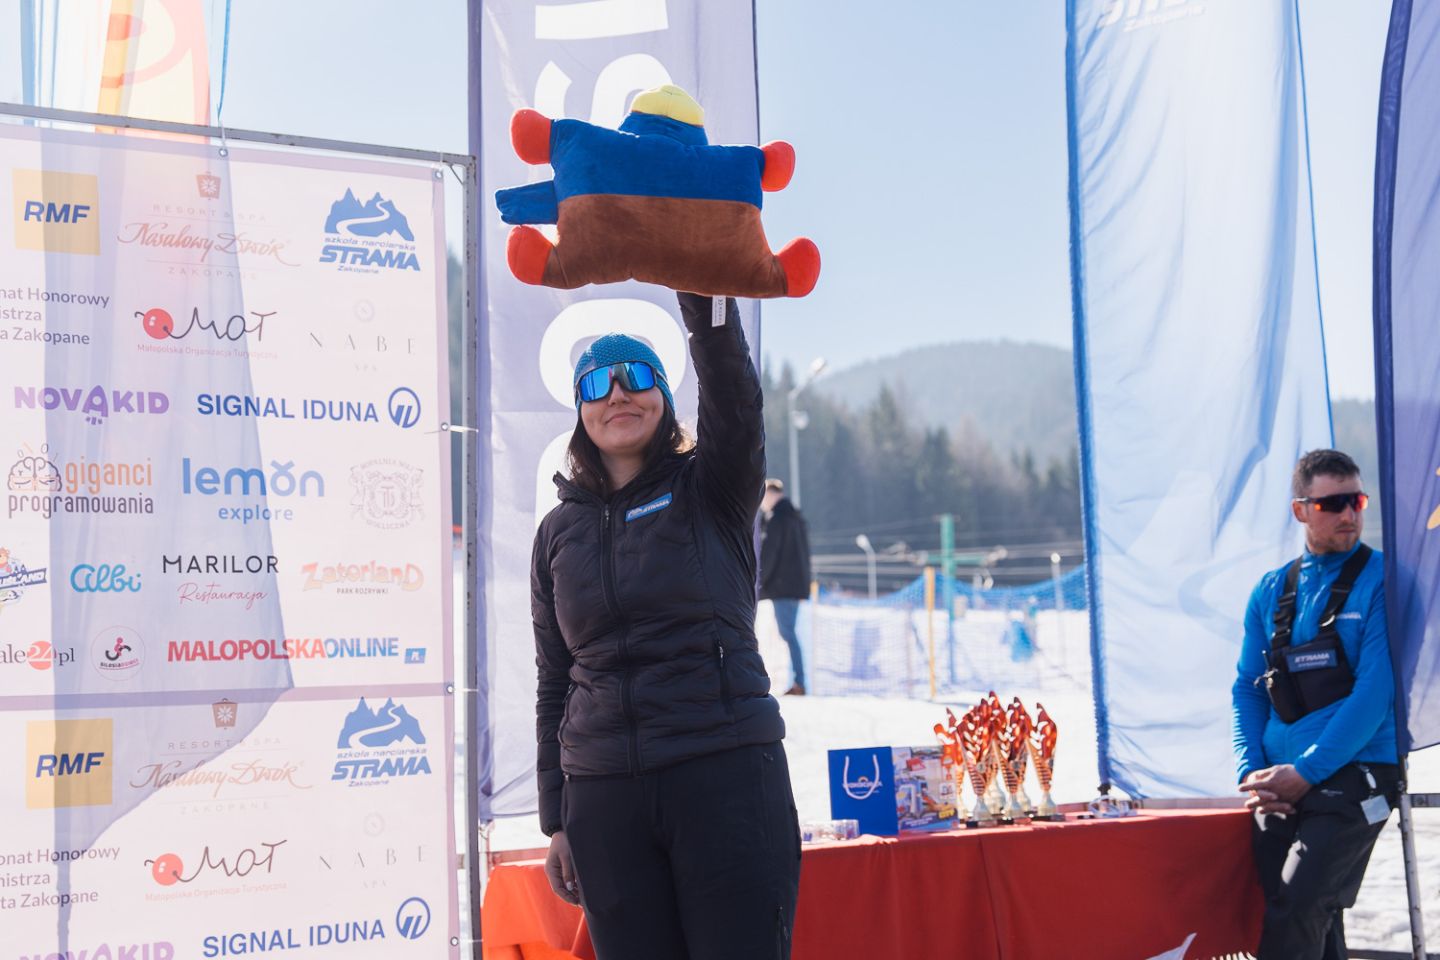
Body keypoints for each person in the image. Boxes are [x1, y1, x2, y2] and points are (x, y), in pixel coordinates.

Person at [531, 292, 801, 960]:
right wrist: (557, 818)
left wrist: (702, 288)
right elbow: (554, 680)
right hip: (605, 801)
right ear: (579, 408)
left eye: (637, 376)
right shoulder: (557, 533)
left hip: (723, 774)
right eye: (597, 383)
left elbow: (735, 399)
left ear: (664, 395)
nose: (617, 393)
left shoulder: (712, 487)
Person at [1232, 449, 1400, 959]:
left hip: (1357, 774)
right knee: (1298, 914)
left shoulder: (1384, 580)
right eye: (1333, 504)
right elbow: (1247, 687)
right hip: (1279, 783)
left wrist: (1305, 772)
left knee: (1300, 905)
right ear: (1301, 510)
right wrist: (1252, 771)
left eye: (1357, 501)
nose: (1349, 515)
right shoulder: (1270, 590)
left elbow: (1375, 693)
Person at [760, 478, 812, 695]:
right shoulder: (796, 517)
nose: (762, 504)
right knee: (788, 633)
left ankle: (799, 682)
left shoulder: (777, 519)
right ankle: (799, 681)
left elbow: (769, 555)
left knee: (787, 633)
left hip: (782, 586)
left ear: (771, 494)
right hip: (794, 585)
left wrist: (758, 582)